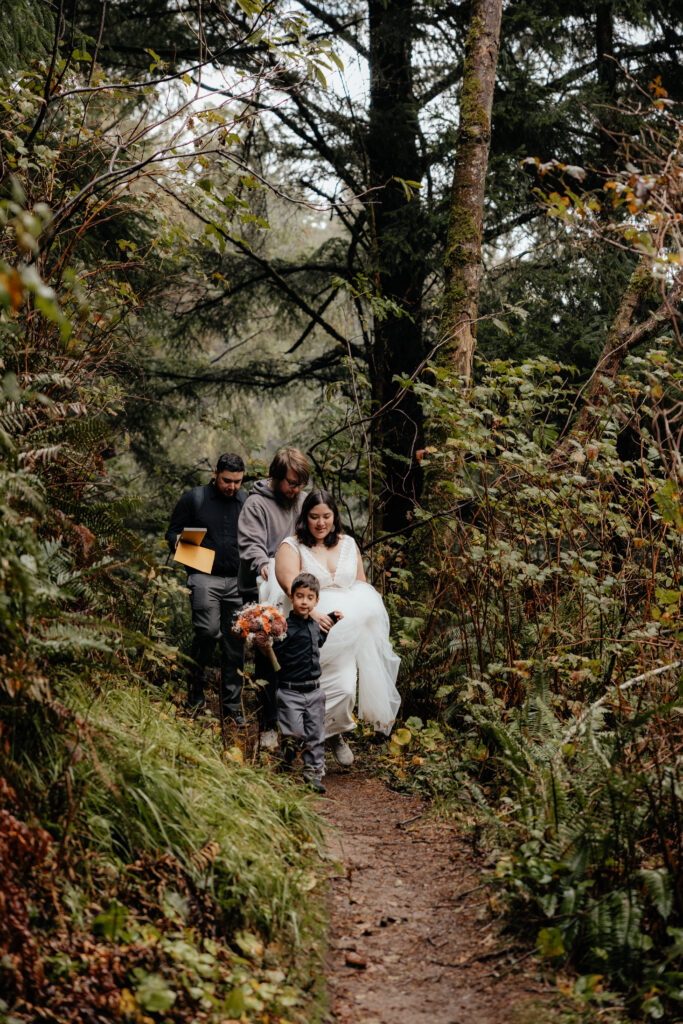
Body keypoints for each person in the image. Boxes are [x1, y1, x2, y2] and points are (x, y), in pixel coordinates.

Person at [273, 489, 401, 767]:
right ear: (304, 518)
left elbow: (361, 583)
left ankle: (333, 734)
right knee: (306, 691)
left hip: (346, 633)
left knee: (344, 691)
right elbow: (289, 584)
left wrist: (364, 615)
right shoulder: (291, 546)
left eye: (326, 516)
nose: (321, 523)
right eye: (314, 517)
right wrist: (315, 614)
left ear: (335, 517)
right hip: (307, 633)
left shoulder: (348, 544)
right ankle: (298, 738)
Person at [237, 447, 310, 748]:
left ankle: (301, 725)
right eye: (291, 483)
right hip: (263, 586)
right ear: (276, 477)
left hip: (299, 588)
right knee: (268, 655)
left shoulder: (304, 501)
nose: (296, 489)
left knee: (300, 655)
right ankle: (268, 724)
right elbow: (251, 545)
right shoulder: (256, 504)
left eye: (300, 483)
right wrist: (266, 565)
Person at [166, 453, 247, 719]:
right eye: (226, 480)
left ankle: (232, 707)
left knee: (236, 643)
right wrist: (182, 545)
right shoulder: (195, 498)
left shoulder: (246, 502)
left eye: (237, 481)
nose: (231, 487)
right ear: (215, 473)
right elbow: (173, 531)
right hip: (203, 576)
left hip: (237, 581)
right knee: (208, 633)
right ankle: (195, 693)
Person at [272, 571, 342, 794]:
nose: (304, 601)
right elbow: (276, 653)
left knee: (315, 734)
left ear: (316, 601)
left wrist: (331, 619)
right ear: (291, 597)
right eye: (300, 596)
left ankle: (312, 774)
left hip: (314, 691)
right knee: (293, 733)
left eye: (310, 597)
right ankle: (287, 758)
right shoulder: (285, 627)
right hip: (290, 691)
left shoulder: (314, 625)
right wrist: (267, 638)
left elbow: (319, 641)